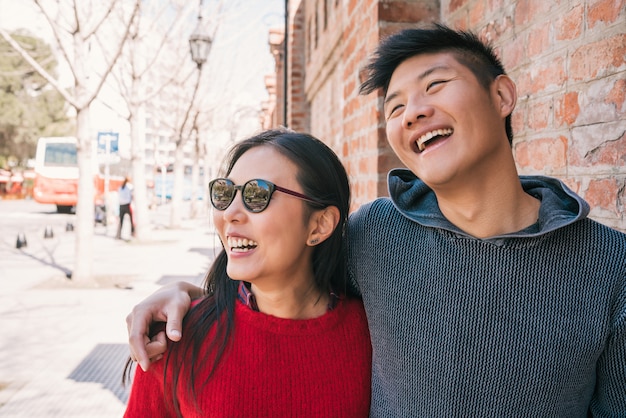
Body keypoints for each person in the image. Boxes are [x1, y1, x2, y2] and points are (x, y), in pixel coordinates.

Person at [126, 25, 626, 416]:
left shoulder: (610, 264)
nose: (413, 113)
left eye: (436, 86)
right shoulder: (377, 234)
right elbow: (287, 285)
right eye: (396, 106)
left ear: (501, 97)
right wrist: (187, 294)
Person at [123, 129, 372, 417]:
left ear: (320, 225)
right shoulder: (176, 338)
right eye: (225, 193)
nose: (230, 212)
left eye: (257, 194)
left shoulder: (374, 334)